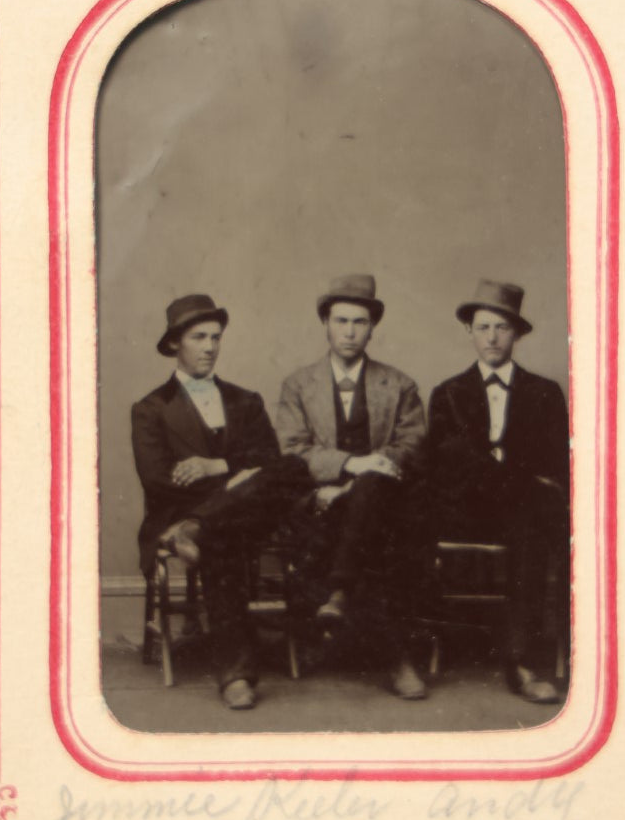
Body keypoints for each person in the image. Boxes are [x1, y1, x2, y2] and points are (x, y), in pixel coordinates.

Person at [131, 293, 309, 710]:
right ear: (176, 343)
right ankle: (236, 675)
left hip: (224, 517)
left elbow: (270, 462)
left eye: (216, 337)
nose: (210, 346)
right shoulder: (151, 409)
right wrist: (237, 479)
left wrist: (217, 467)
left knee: (295, 468)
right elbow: (158, 480)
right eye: (199, 337)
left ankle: (197, 525)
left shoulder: (245, 401)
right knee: (223, 538)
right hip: (183, 515)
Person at [275, 274, 430, 700]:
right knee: (372, 532)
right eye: (340, 321)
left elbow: (412, 446)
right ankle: (397, 661)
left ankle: (341, 591)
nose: (349, 331)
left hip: (382, 501)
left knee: (374, 505)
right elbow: (293, 450)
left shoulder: (399, 385)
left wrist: (364, 480)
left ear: (372, 328)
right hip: (320, 501)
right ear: (325, 323)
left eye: (359, 322)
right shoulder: (298, 385)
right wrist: (350, 467)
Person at [426, 279, 570, 704]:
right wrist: (511, 479)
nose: (492, 337)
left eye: (502, 328)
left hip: (524, 512)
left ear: (517, 334)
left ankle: (520, 660)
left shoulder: (545, 393)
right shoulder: (447, 394)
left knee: (530, 523)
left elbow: (554, 462)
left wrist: (518, 483)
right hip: (468, 508)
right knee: (515, 496)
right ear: (469, 331)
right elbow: (447, 465)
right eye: (483, 327)